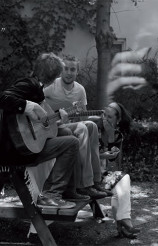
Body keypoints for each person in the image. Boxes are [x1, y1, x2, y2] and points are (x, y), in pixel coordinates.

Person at [0, 52, 84, 209]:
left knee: (66, 133)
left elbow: (41, 122)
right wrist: (28, 106)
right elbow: (1, 100)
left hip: (20, 145)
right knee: (72, 143)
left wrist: (59, 118)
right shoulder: (28, 84)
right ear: (53, 75)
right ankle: (51, 195)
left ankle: (69, 190)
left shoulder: (36, 87)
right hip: (12, 151)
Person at [43, 54, 110, 198]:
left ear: (77, 72)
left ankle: (96, 181)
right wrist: (51, 114)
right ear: (61, 70)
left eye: (72, 69)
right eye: (66, 69)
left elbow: (84, 117)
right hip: (53, 127)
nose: (68, 72)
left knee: (91, 125)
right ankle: (83, 185)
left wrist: (81, 112)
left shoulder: (80, 90)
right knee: (82, 128)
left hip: (70, 124)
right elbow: (36, 103)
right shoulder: (51, 85)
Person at [90, 102, 140, 239]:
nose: (105, 118)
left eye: (110, 117)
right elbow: (85, 154)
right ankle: (124, 222)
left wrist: (111, 136)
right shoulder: (93, 128)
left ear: (117, 120)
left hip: (104, 176)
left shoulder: (117, 136)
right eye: (104, 115)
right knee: (123, 181)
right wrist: (100, 156)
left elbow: (113, 167)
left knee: (123, 181)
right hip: (89, 177)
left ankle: (123, 222)